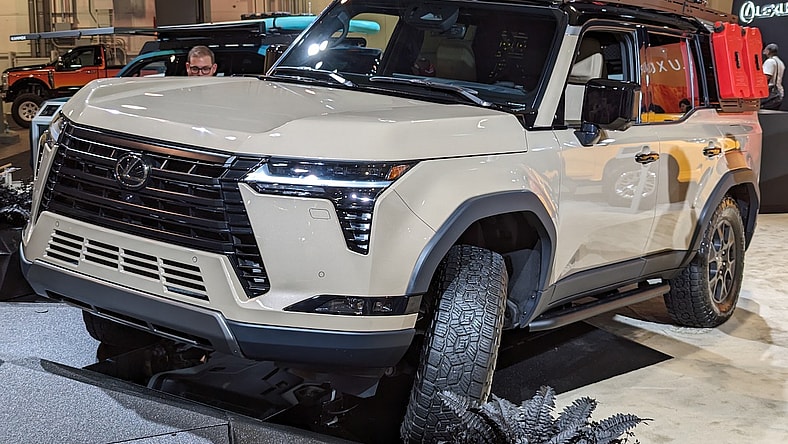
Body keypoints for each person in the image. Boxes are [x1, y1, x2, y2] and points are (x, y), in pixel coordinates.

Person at [761, 43, 784, 110]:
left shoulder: (770, 61)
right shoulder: (779, 62)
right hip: (778, 94)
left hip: (771, 95)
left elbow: (767, 76)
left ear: (768, 51)